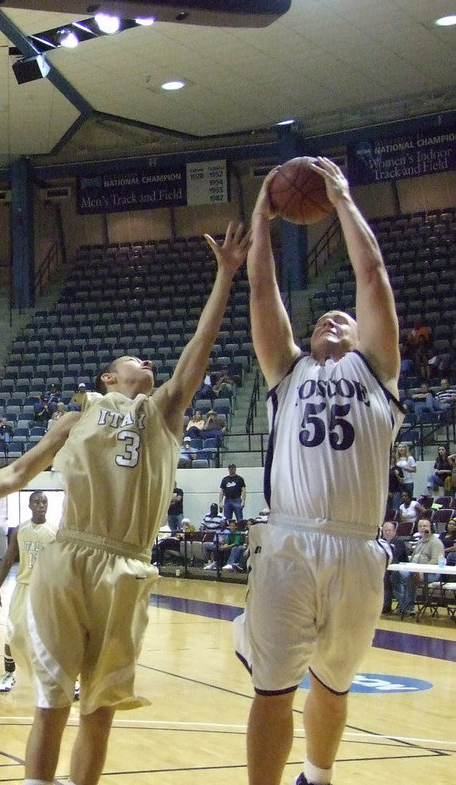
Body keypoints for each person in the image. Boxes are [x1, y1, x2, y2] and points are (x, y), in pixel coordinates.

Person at [0, 221, 250, 785]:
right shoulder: (74, 418)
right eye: (134, 360)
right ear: (108, 376)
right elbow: (17, 472)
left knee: (100, 708)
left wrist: (225, 276)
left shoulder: (164, 411)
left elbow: (197, 353)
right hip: (71, 555)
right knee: (52, 700)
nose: (146, 363)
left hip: (128, 563)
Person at [235, 157, 403, 785]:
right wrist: (262, 213)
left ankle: (318, 777)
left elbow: (372, 274)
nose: (333, 319)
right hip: (287, 540)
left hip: (358, 548)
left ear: (363, 335)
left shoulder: (377, 372)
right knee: (273, 689)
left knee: (334, 684)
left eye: (345, 318)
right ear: (306, 337)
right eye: (322, 319)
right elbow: (261, 289)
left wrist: (342, 201)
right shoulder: (288, 372)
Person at [0, 491, 57, 692]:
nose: (41, 505)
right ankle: (8, 674)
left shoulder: (55, 531)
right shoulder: (20, 530)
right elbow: (7, 560)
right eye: (36, 502)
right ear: (29, 506)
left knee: (54, 636)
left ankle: (64, 679)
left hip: (46, 589)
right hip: (23, 587)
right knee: (12, 633)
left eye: (44, 502)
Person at [398, 516, 444, 615]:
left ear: (431, 528)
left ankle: (408, 607)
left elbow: (436, 560)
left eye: (425, 526)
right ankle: (401, 604)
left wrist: (422, 570)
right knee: (395, 576)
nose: (423, 528)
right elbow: (413, 558)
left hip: (431, 573)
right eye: (420, 526)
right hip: (415, 570)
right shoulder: (419, 542)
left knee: (412, 577)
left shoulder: (436, 542)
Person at [380, 520, 410, 614]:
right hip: (388, 569)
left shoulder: (399, 542)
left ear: (394, 531)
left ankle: (388, 605)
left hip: (402, 570)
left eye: (389, 530)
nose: (387, 532)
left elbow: (394, 558)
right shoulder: (381, 542)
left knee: (387, 577)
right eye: (385, 530)